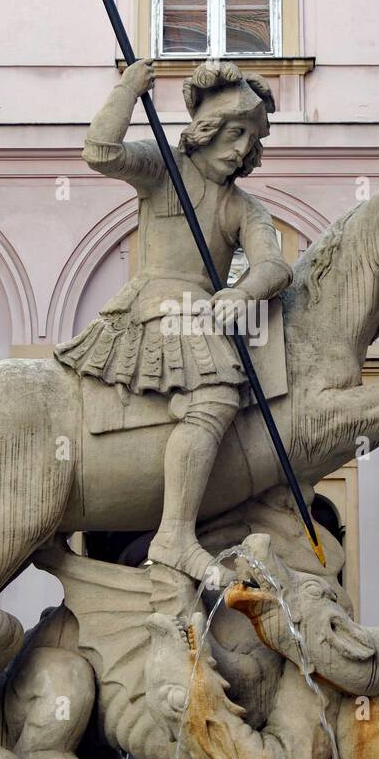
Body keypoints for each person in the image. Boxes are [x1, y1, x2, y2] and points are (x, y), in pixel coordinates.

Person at [56, 58, 292, 580]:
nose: (239, 149)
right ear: (206, 131)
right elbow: (100, 152)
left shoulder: (242, 205)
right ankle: (175, 537)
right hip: (158, 305)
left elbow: (274, 264)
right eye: (234, 133)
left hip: (204, 310)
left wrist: (243, 291)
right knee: (215, 395)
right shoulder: (164, 169)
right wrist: (127, 89)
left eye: (249, 140)